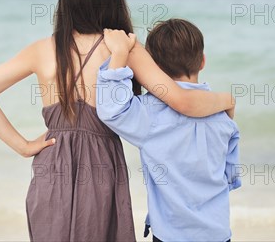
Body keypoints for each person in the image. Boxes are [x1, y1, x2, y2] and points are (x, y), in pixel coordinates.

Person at [0, 0, 236, 241]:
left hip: (52, 164)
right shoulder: (125, 49)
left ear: (66, 2)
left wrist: (23, 146)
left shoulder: (42, 50)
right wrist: (226, 100)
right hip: (101, 166)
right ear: (113, 0)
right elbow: (182, 102)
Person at [96, 19, 241, 242]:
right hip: (218, 233)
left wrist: (119, 54)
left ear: (155, 68)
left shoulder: (151, 114)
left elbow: (112, 110)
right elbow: (230, 176)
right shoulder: (222, 115)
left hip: (172, 235)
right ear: (202, 62)